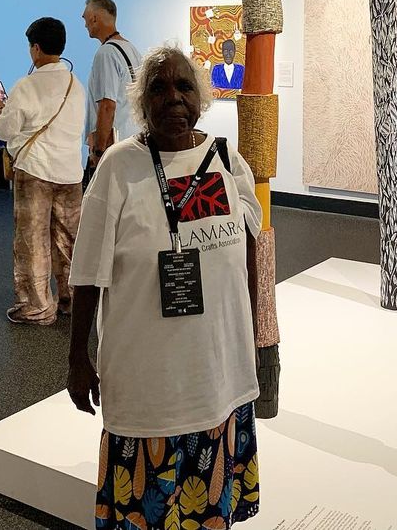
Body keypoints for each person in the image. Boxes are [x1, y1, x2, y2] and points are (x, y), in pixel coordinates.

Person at [67, 45, 263, 527]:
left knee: (207, 511)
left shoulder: (226, 159)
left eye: (184, 86)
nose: (174, 97)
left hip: (216, 376)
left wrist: (253, 336)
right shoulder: (119, 167)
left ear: (201, 97)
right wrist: (77, 357)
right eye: (159, 87)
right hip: (147, 383)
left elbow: (249, 250)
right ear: (141, 102)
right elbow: (87, 272)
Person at [0, 18, 86, 325]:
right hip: (70, 173)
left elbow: (5, 130)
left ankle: (37, 307)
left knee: (32, 241)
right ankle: (72, 300)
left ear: (35, 48)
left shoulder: (27, 85)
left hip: (35, 171)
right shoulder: (75, 85)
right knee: (68, 240)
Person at [82, 0, 142, 178]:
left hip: (114, 150)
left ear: (94, 18)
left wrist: (99, 151)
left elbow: (107, 105)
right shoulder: (132, 50)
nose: (84, 23)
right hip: (134, 144)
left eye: (85, 17)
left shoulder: (106, 53)